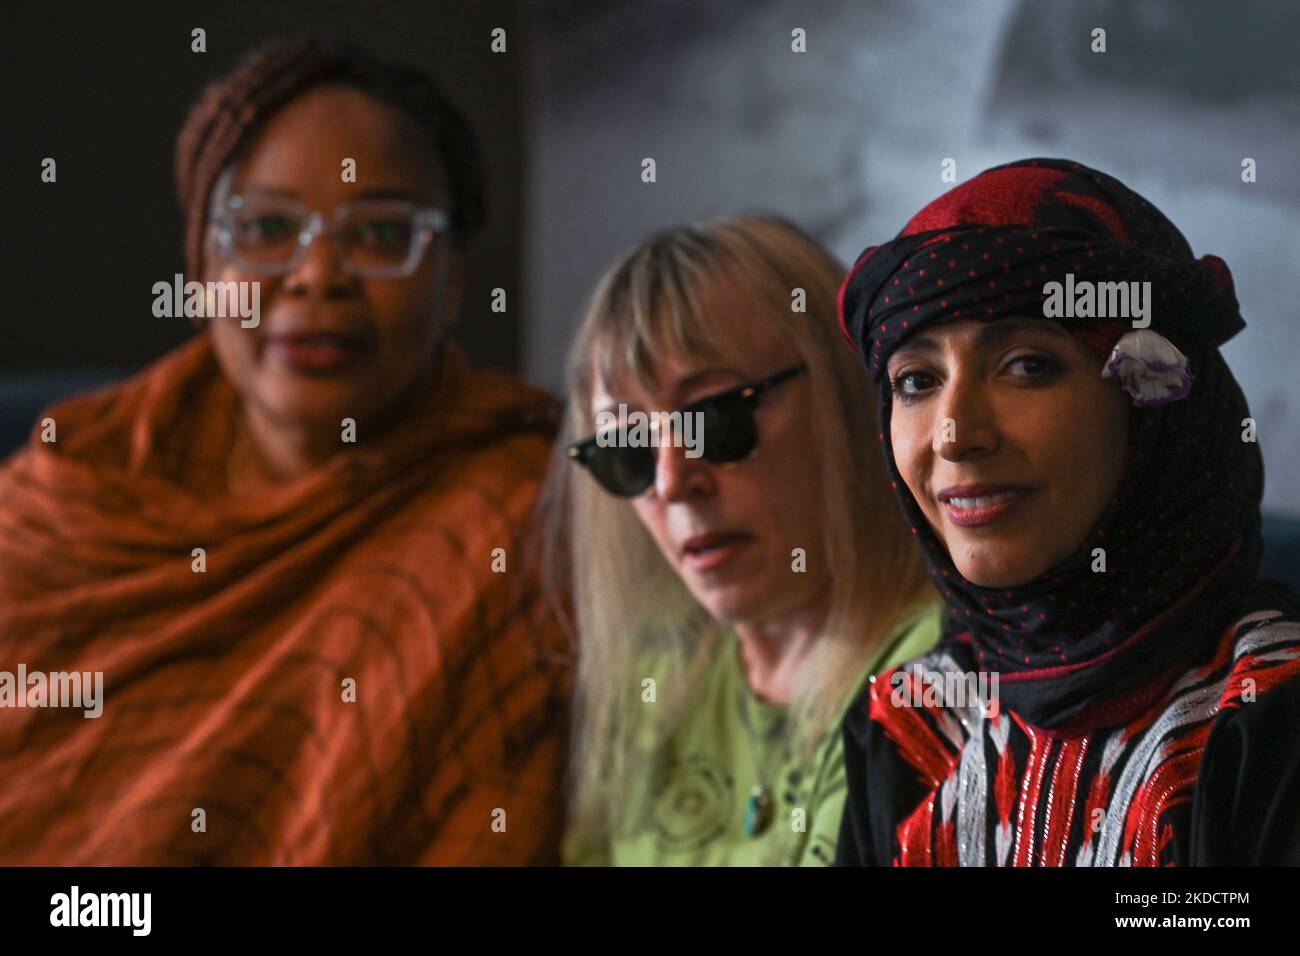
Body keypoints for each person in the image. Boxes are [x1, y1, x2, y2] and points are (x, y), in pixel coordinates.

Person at [0, 35, 570, 865]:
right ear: (202, 263)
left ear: (451, 279)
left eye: (380, 233)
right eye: (266, 227)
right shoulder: (65, 486)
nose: (317, 275)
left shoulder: (512, 523)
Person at [835, 157, 1300, 866]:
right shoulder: (910, 725)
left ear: (1153, 402)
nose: (956, 434)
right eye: (917, 380)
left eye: (1027, 365)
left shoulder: (1271, 725)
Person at [547, 216, 941, 866]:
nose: (673, 483)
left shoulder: (941, 679)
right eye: (627, 448)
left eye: (713, 418)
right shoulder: (655, 687)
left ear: (845, 392)